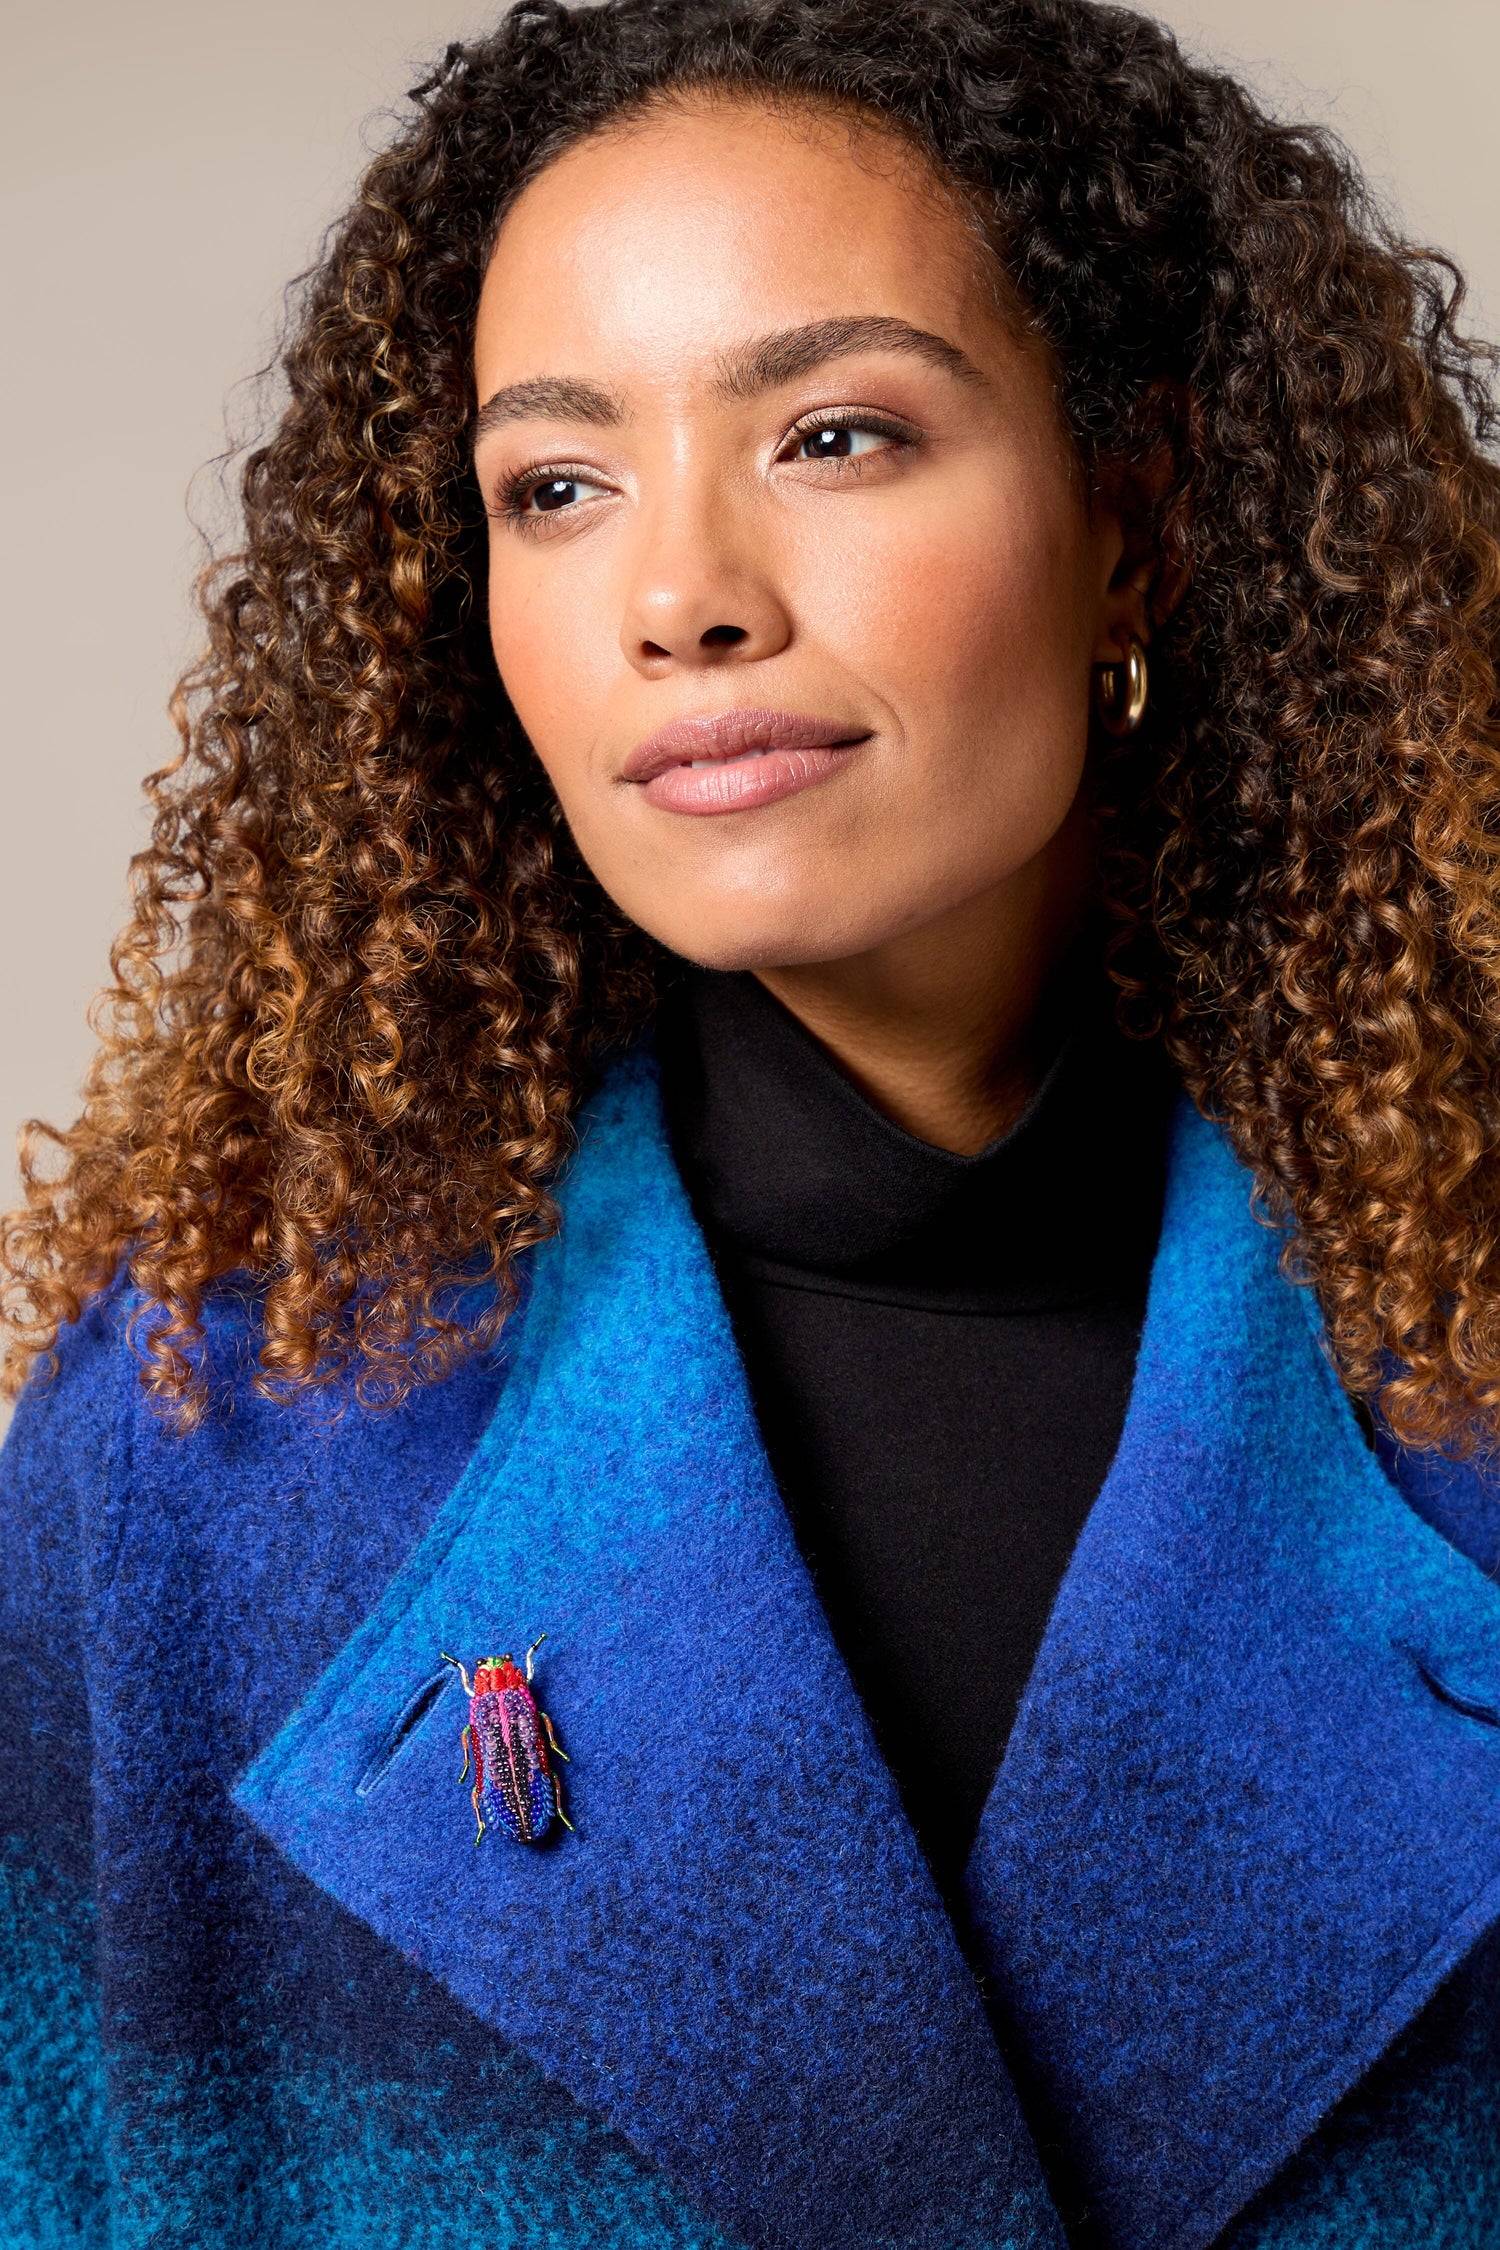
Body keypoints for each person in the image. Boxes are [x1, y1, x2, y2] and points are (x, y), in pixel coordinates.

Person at [4, 0, 1500, 2243]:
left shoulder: (1460, 1383)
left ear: (1138, 520)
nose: (681, 597)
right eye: (557, 486)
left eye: (833, 432)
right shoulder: (199, 1443)